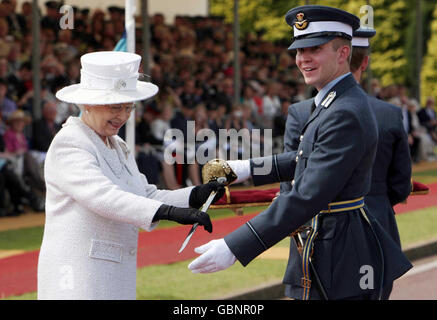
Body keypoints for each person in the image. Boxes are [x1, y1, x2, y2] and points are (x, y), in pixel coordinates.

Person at [188, 5, 412, 300]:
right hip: (332, 244)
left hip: (341, 252)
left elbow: (308, 194)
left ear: (343, 53)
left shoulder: (344, 111)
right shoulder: (334, 101)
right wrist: (246, 168)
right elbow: (304, 156)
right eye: (299, 51)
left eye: (315, 49)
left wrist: (235, 245)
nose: (303, 58)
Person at [37, 51, 225, 300]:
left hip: (109, 274)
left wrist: (193, 195)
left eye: (129, 107)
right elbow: (103, 197)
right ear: (88, 103)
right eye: (116, 107)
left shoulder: (116, 144)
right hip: (78, 277)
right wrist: (167, 212)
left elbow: (144, 193)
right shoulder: (71, 142)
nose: (123, 116)